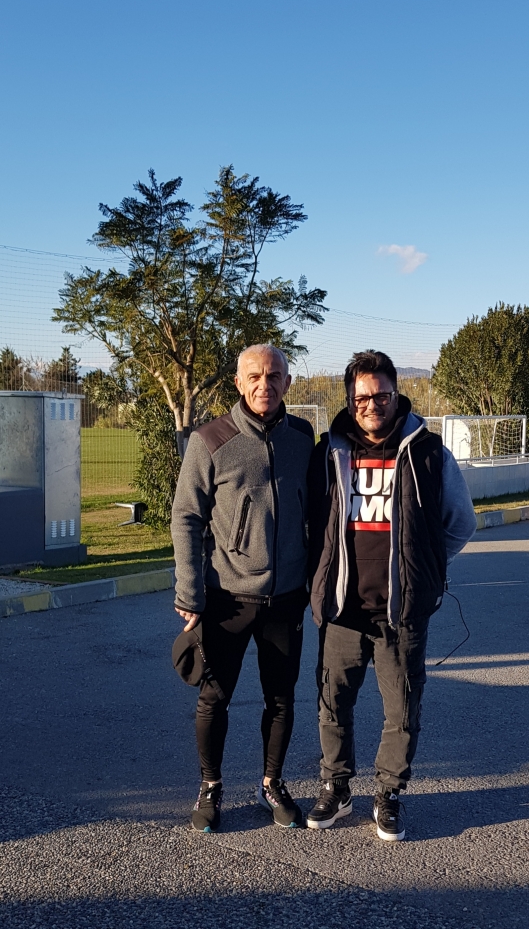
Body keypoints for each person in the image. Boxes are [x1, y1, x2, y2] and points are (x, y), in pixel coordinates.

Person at [306, 350, 476, 841]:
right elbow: (312, 523)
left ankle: (388, 793)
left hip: (401, 612)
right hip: (343, 608)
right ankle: (336, 787)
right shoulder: (329, 451)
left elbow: (460, 523)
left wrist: (425, 567)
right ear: (349, 400)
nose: (372, 405)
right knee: (332, 703)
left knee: (401, 709)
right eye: (361, 397)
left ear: (397, 394)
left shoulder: (428, 452)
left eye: (381, 394)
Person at [171, 344, 314, 833]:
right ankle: (210, 786)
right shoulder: (210, 439)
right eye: (254, 376)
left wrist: (314, 582)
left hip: (286, 596)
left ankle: (271, 783)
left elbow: (316, 511)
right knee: (214, 698)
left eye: (274, 376)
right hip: (226, 599)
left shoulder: (302, 437)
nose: (264, 385)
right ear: (238, 383)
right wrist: (189, 592)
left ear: (287, 382)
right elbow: (185, 517)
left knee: (282, 699)